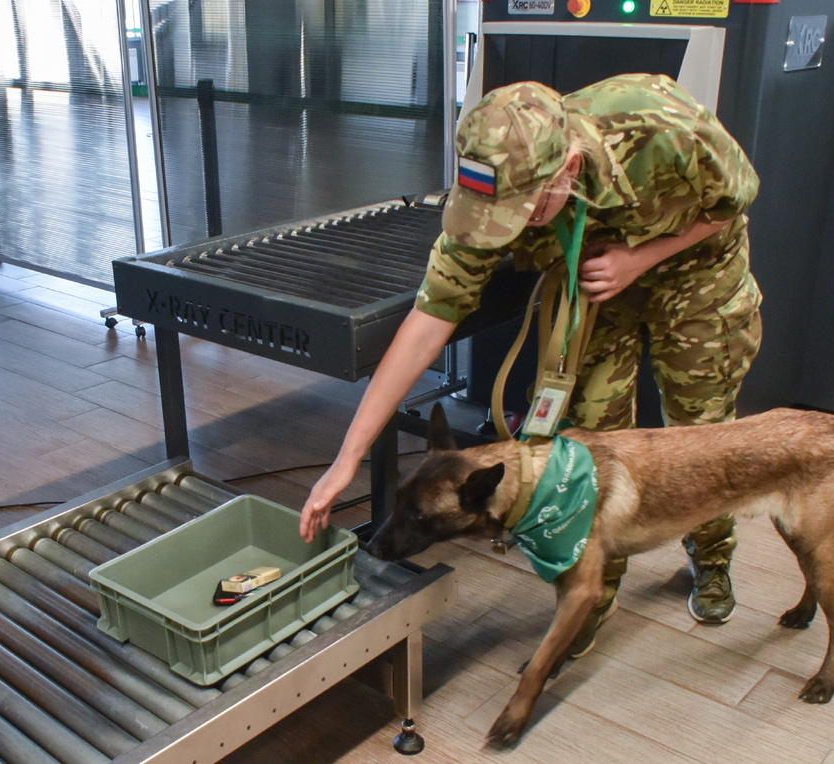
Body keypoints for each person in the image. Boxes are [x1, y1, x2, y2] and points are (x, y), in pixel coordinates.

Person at [300, 73, 762, 655]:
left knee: (705, 438)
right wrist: (346, 459)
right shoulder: (489, 191)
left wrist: (640, 258)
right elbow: (427, 323)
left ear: (568, 168)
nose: (505, 227)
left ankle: (712, 555)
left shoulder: (661, 128)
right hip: (597, 292)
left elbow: (732, 201)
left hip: (697, 278)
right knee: (595, 446)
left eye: (523, 211)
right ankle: (592, 593)